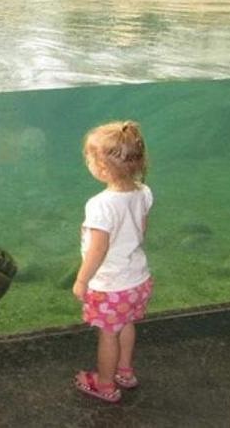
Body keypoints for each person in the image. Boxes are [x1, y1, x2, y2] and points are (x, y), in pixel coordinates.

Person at [72, 120, 153, 403]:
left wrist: (82, 280)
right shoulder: (143, 191)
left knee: (108, 333)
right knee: (127, 324)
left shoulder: (100, 205)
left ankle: (105, 384)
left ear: (103, 167)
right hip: (138, 279)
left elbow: (98, 249)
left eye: (89, 157)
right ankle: (125, 372)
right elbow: (141, 230)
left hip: (110, 286)